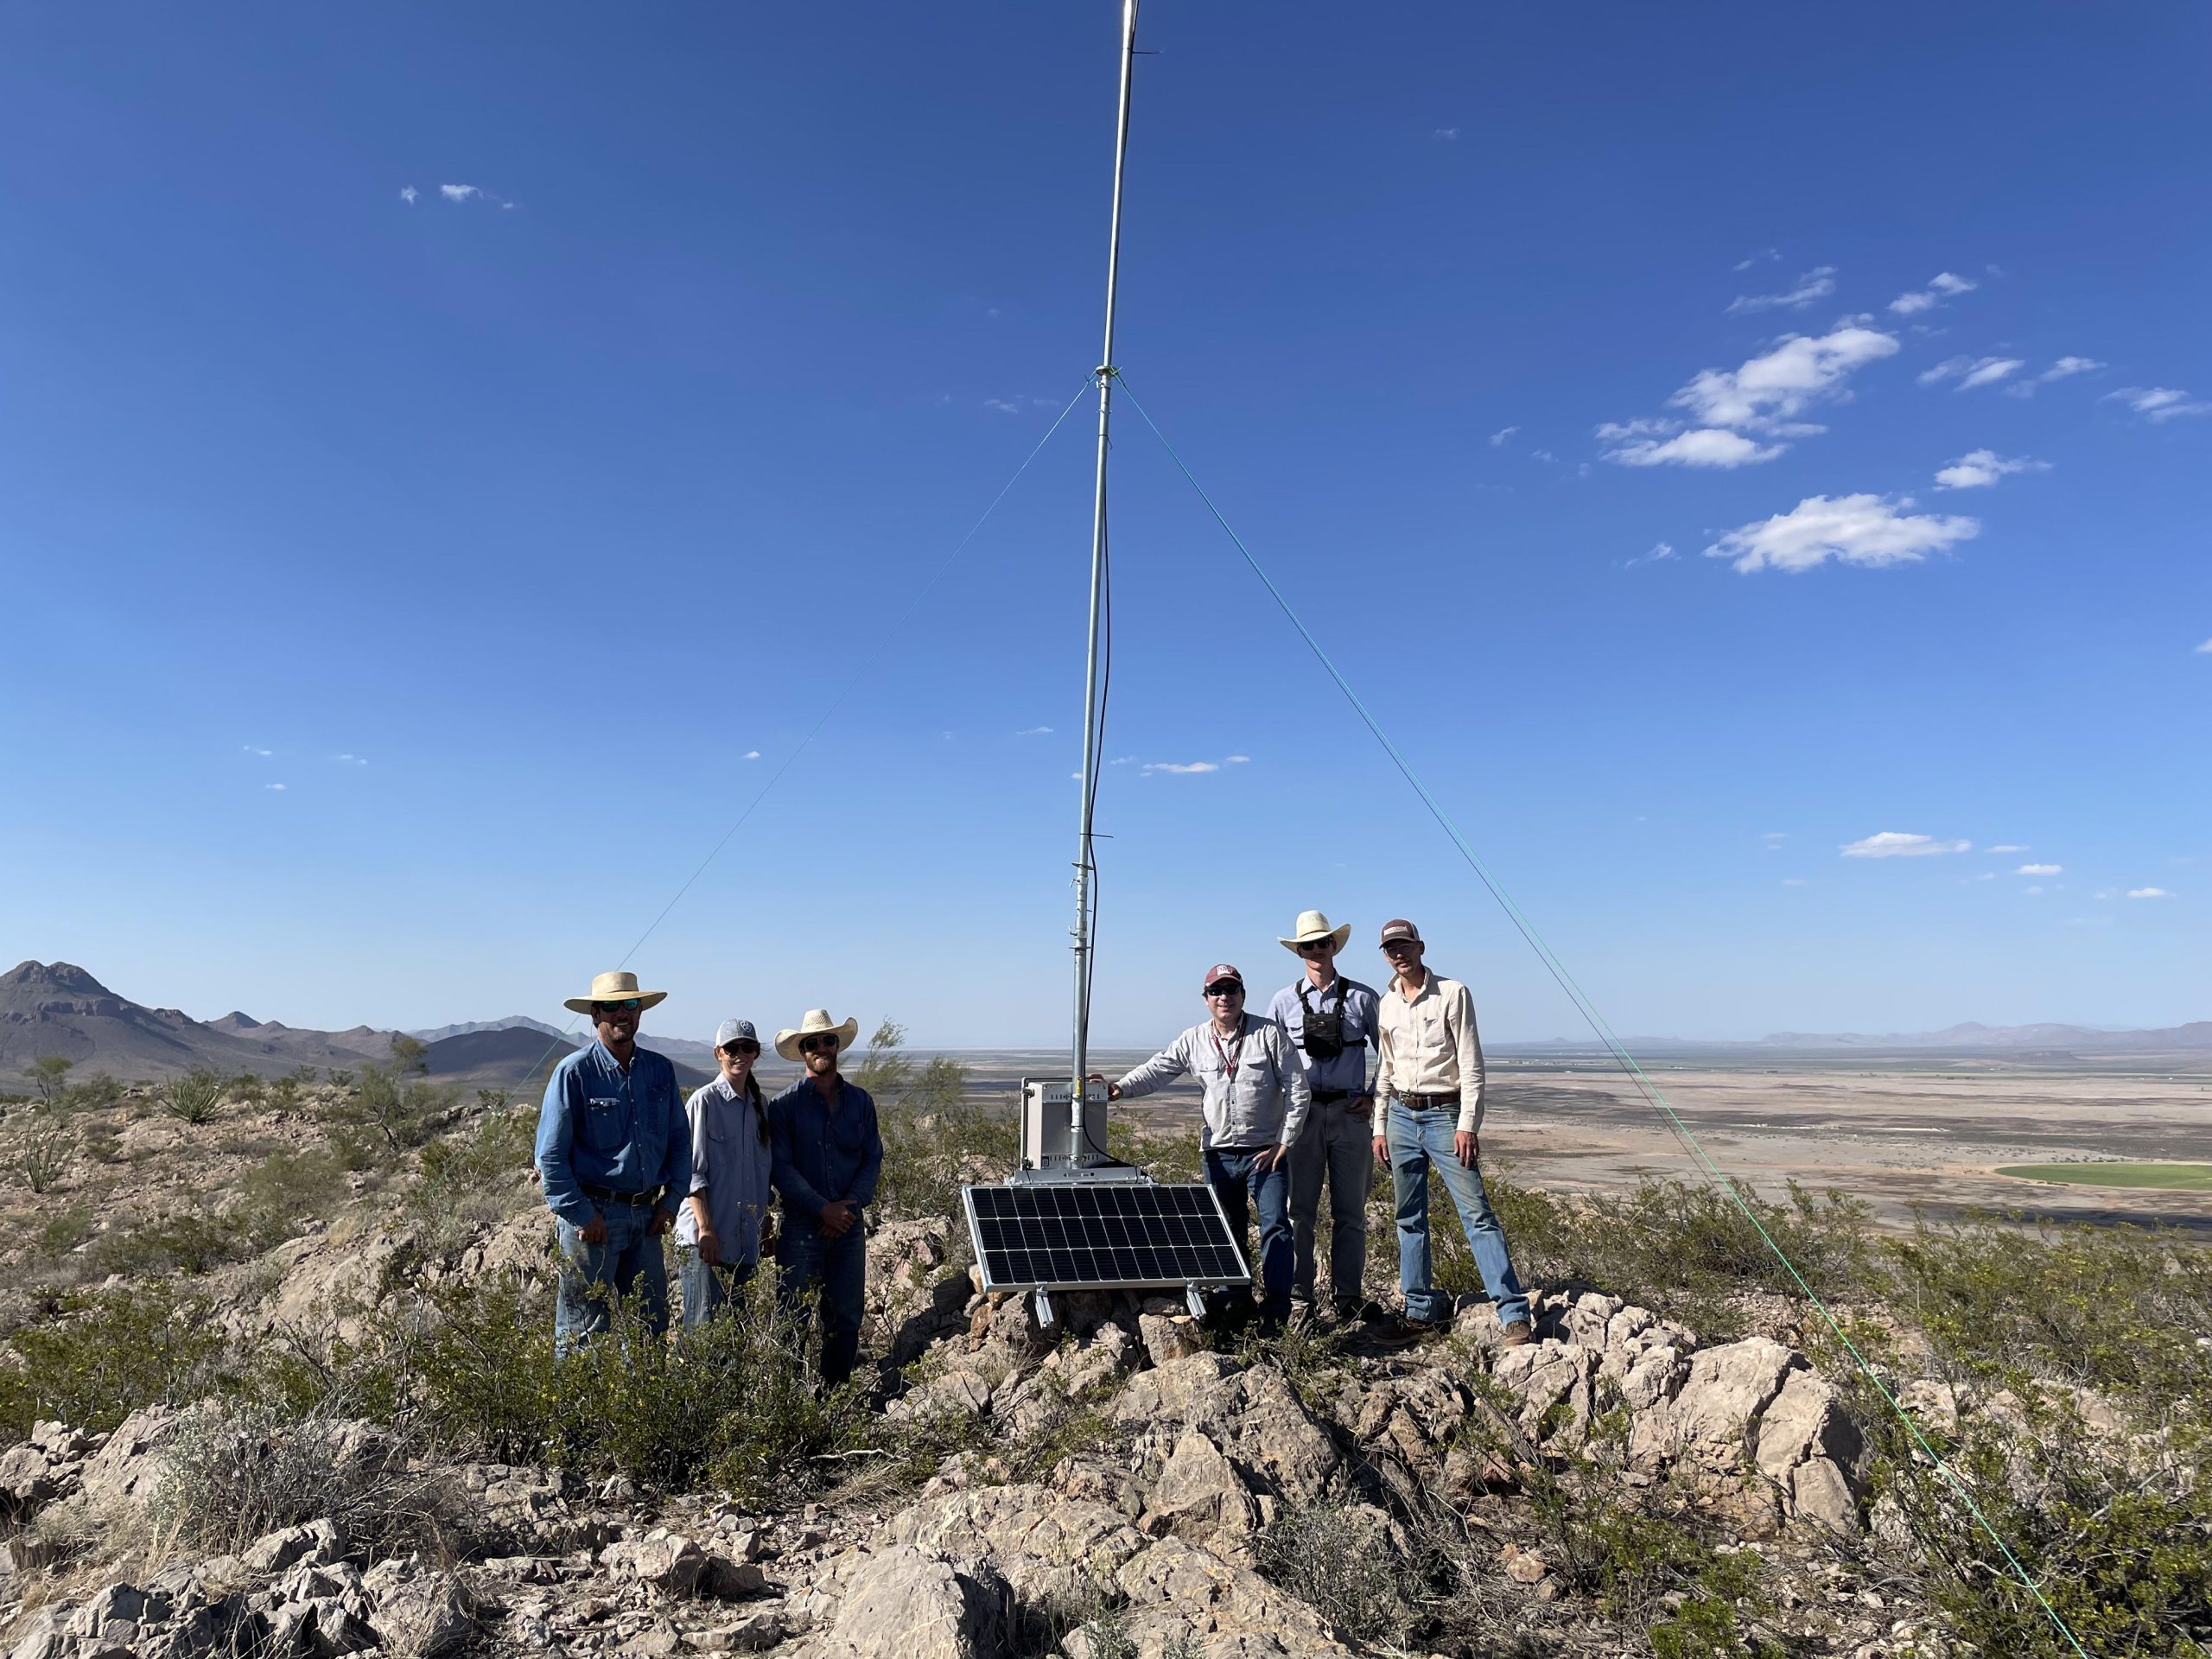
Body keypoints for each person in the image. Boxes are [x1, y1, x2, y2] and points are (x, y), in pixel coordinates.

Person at [1099, 963, 1312, 1330]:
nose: (1224, 997)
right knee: (1227, 1229)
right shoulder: (1193, 1039)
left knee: (1276, 1226)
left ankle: (1277, 1309)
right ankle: (1234, 1299)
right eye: (1216, 991)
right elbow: (1158, 1069)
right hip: (1218, 1153)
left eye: (1231, 990)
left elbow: (1297, 1087)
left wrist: (1285, 1140)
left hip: (1264, 1152)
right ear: (1206, 999)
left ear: (1243, 995)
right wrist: (1120, 1088)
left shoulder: (1268, 1035)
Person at [1371, 919, 1534, 1345]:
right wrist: (1379, 1126)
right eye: (1390, 948)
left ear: (1421, 946)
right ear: (1385, 955)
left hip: (1445, 1115)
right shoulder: (1386, 1004)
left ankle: (1513, 1313)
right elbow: (1385, 1069)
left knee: (1476, 1213)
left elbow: (1471, 1063)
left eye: (1404, 945)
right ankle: (1420, 1311)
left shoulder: (1452, 993)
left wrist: (1467, 1124)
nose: (1398, 954)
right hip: (1401, 1117)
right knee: (1408, 1217)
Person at [534, 970, 690, 1353]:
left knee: (650, 1329)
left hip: (647, 1218)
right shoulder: (575, 1072)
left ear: (640, 1011)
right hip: (594, 1221)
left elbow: (679, 1142)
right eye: (611, 1006)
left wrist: (671, 1203)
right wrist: (581, 1215)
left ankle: (646, 1414)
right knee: (583, 1336)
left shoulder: (659, 1070)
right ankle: (580, 1415)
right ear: (595, 1015)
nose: (623, 1013)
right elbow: (550, 1157)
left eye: (631, 1004)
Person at [1268, 910, 1382, 1326]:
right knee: (1300, 1212)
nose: (1316, 950)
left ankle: (1348, 1297)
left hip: (1350, 1114)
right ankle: (1300, 1300)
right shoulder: (1282, 1002)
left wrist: (1373, 1096)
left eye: (1323, 942)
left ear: (1334, 946)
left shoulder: (1363, 998)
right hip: (1303, 1117)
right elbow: (1271, 1060)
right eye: (1308, 945)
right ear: (1299, 952)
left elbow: (1390, 1050)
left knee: (1350, 1212)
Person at [767, 1008, 882, 1387]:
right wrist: (823, 1209)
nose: (821, 1048)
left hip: (847, 1227)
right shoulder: (783, 1107)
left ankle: (833, 1399)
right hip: (802, 1228)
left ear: (837, 1046)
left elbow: (872, 1158)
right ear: (802, 1051)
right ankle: (788, 1403)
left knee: (846, 1317)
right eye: (812, 1043)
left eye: (827, 1040)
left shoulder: (861, 1103)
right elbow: (780, 1169)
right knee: (793, 1318)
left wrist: (847, 1208)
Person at [674, 1018, 774, 1328]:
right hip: (706, 1243)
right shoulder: (703, 1102)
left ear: (756, 1053)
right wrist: (706, 1228)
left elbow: (762, 1178)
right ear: (718, 1053)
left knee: (736, 1335)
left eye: (747, 1047)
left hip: (744, 1243)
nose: (739, 1054)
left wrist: (766, 1226)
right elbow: (692, 1173)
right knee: (704, 1334)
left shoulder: (761, 1107)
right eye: (732, 1048)